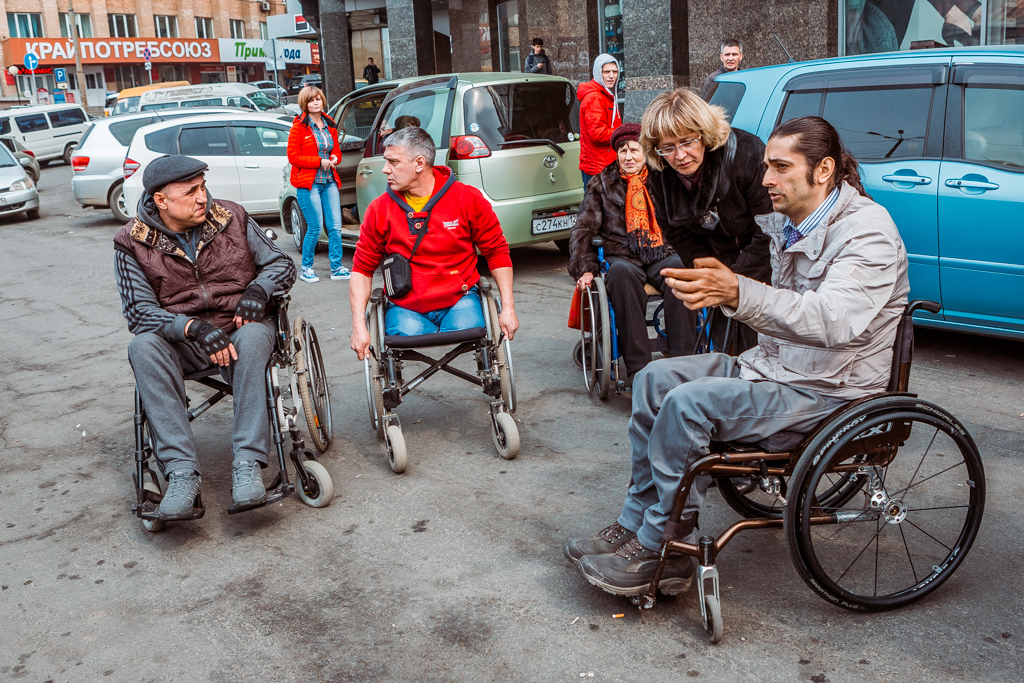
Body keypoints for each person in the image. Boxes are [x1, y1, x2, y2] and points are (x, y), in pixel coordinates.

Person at [563, 116, 910, 597]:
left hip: (830, 389)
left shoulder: (866, 231)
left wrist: (738, 291)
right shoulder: (792, 223)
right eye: (766, 165)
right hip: (779, 367)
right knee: (653, 380)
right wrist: (723, 286)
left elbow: (835, 321)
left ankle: (663, 545)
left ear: (823, 170)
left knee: (689, 405)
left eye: (780, 167)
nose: (765, 178)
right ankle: (635, 519)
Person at [113, 155, 297, 519]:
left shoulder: (231, 216)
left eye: (203, 187)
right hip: (185, 341)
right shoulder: (130, 242)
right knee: (143, 346)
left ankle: (247, 463)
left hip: (240, 326)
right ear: (161, 201)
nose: (203, 198)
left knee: (256, 338)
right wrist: (191, 327)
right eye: (190, 192)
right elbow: (139, 311)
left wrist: (258, 291)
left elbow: (281, 263)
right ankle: (181, 472)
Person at [349, 126, 518, 356]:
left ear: (419, 164)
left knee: (470, 327)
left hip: (459, 299)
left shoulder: (466, 199)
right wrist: (359, 326)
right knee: (403, 332)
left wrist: (508, 308)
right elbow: (361, 269)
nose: (385, 170)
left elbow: (497, 250)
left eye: (393, 162)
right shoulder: (379, 210)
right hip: (405, 305)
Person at [640, 87, 772, 355]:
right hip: (717, 265)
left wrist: (735, 281)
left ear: (704, 133)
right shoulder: (661, 170)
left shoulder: (746, 154)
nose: (680, 156)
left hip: (765, 269)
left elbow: (770, 229)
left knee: (763, 353)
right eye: (668, 147)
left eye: (688, 142)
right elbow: (675, 230)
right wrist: (707, 274)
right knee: (728, 353)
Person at [568, 122, 690, 384]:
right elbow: (583, 229)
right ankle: (639, 370)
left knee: (681, 270)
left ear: (646, 151)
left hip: (660, 252)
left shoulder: (663, 179)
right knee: (621, 275)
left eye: (634, 150)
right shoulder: (602, 184)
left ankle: (685, 363)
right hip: (621, 255)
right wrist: (586, 268)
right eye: (623, 151)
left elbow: (683, 220)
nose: (628, 156)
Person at [287, 85, 348, 283]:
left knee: (335, 227)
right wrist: (318, 161)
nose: (316, 103)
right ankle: (306, 268)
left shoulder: (329, 125)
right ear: (305, 103)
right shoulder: (299, 127)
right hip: (309, 183)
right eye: (311, 100)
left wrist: (334, 158)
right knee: (314, 228)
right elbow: (293, 157)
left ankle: (336, 267)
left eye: (318, 99)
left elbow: (336, 150)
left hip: (328, 181)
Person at [578, 54, 622, 188]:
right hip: (598, 168)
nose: (611, 76)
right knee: (597, 207)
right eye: (606, 72)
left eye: (615, 72)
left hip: (605, 164)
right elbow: (597, 134)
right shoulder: (595, 97)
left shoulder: (606, 94)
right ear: (598, 73)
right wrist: (621, 133)